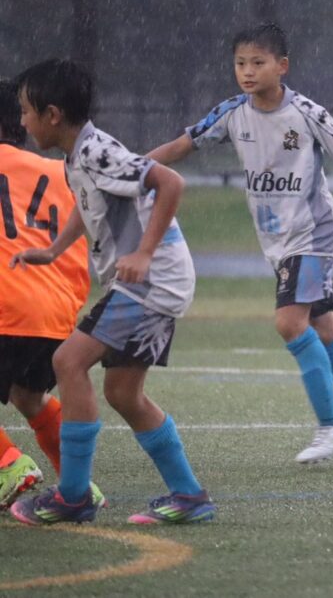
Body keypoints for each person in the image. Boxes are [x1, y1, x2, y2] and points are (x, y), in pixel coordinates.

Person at [148, 23, 333, 467]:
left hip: (313, 235)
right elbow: (182, 145)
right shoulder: (232, 113)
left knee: (289, 323)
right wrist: (129, 167)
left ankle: (332, 426)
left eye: (258, 62)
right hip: (278, 243)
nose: (247, 71)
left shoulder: (307, 114)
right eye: (240, 63)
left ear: (282, 66)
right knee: (325, 332)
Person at [9, 59, 215, 525]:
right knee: (123, 392)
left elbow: (170, 182)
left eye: (25, 112)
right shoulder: (76, 157)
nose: (22, 121)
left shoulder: (97, 151)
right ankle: (189, 495)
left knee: (68, 361)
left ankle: (74, 496)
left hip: (150, 283)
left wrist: (144, 253)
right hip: (149, 284)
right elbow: (89, 202)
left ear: (52, 115)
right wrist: (55, 249)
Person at [0, 79, 90, 510]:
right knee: (29, 396)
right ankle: (78, 485)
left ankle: (7, 464)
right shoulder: (60, 172)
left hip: (6, 302)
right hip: (54, 310)